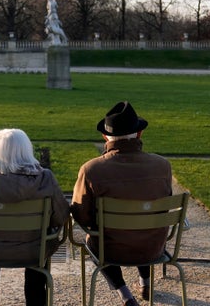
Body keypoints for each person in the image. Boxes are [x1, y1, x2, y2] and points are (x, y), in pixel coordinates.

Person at [71, 101, 173, 306]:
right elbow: (164, 207)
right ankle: (145, 283)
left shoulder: (91, 169)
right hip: (153, 248)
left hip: (111, 249)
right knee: (144, 223)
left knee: (95, 240)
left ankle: (126, 296)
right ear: (139, 134)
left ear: (104, 137)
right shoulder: (162, 166)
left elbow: (81, 215)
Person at [0, 128, 69, 306]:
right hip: (32, 251)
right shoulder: (45, 178)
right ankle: (36, 301)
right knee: (40, 243)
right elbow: (61, 217)